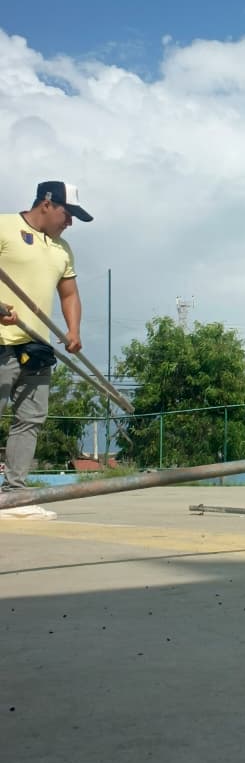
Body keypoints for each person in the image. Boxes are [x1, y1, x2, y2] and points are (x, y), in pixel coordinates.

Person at [0, 181, 93, 521]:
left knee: (30, 420)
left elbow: (69, 294)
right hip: (2, 340)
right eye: (67, 214)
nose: (70, 223)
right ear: (47, 203)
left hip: (36, 346)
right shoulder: (4, 226)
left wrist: (73, 331)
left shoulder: (62, 249)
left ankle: (13, 496)